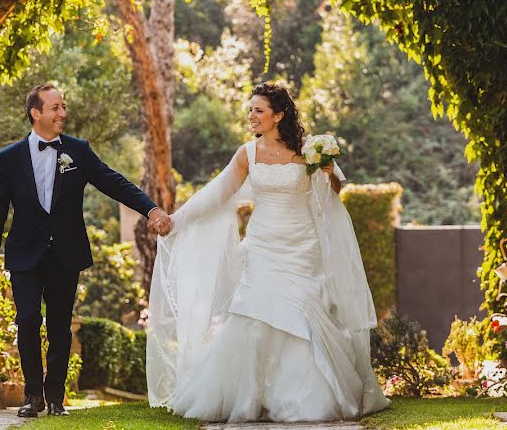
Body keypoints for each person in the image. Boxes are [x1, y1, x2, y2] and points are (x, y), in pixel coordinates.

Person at [147, 83, 389, 422]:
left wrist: (330, 172)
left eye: (258, 111)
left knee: (302, 317)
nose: (251, 116)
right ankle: (249, 397)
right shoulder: (247, 153)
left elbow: (333, 193)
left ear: (279, 114)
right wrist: (177, 218)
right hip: (262, 247)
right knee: (255, 317)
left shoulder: (309, 149)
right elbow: (217, 192)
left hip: (303, 247)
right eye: (250, 110)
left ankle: (301, 398)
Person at [0, 83, 171, 418]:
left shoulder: (77, 151)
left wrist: (151, 210)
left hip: (64, 253)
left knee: (59, 327)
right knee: (27, 320)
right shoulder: (9, 158)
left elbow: (114, 182)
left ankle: (55, 398)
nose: (63, 114)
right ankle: (32, 397)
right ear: (36, 113)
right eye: (55, 108)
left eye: (64, 107)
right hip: (24, 254)